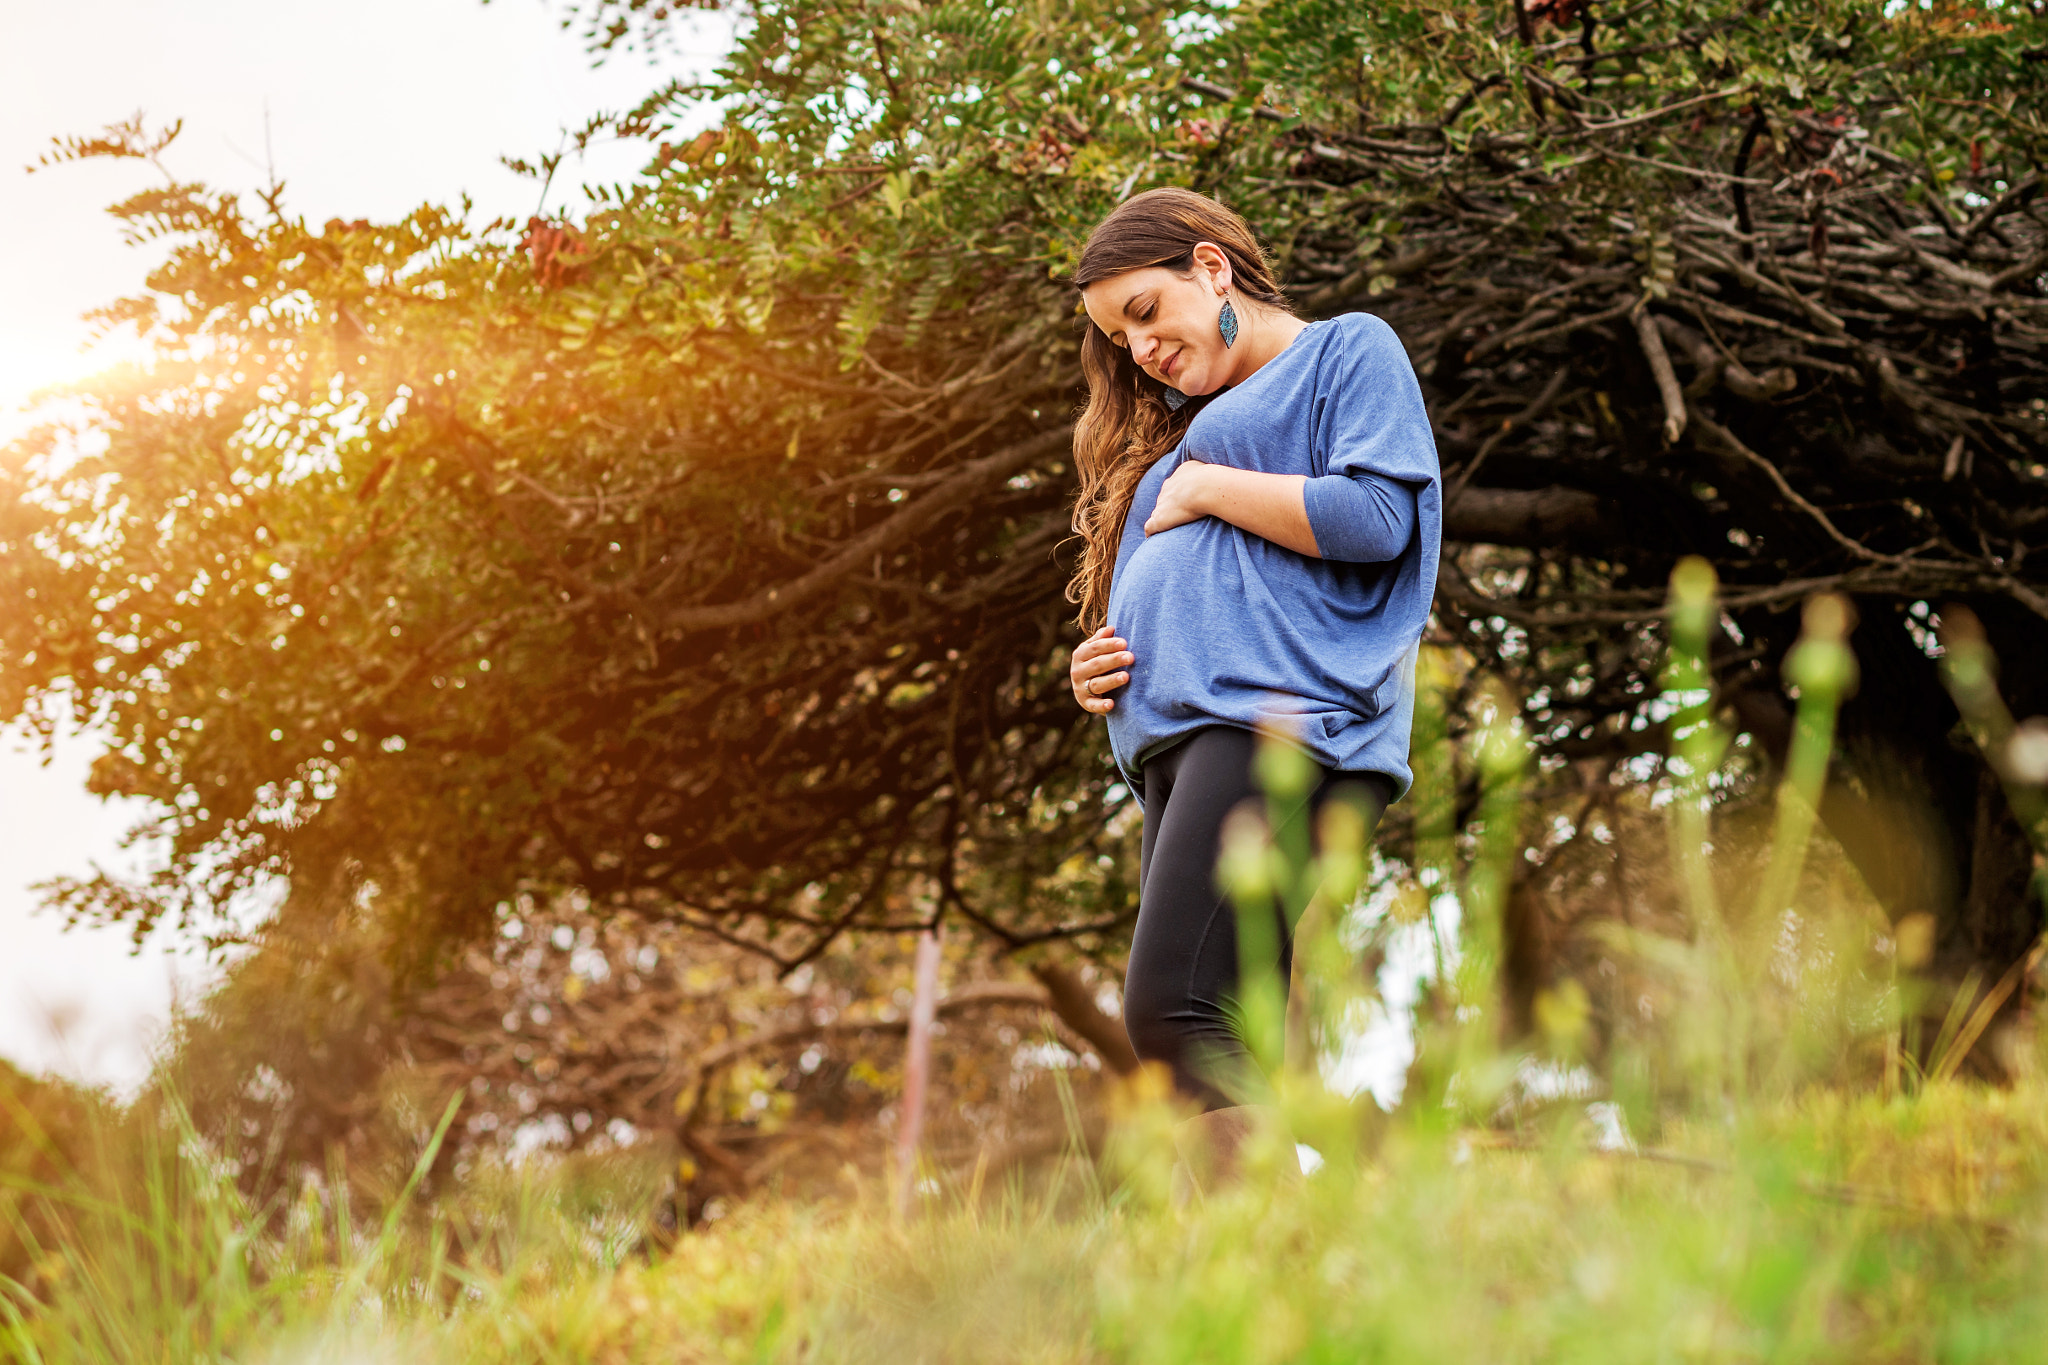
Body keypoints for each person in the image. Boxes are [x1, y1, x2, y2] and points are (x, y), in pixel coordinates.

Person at [1066, 186, 1441, 1185]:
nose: (1138, 349)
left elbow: (1376, 520)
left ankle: (1337, 1196)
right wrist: (1094, 661)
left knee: (1169, 1012)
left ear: (1209, 267)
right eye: (1117, 337)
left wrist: (1200, 488)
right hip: (1190, 752)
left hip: (1282, 728)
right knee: (1222, 1030)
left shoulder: (1343, 353)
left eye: (1144, 312)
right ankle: (1305, 1256)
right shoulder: (1183, 426)